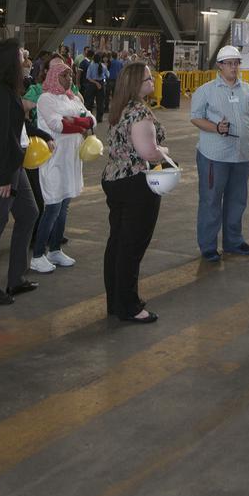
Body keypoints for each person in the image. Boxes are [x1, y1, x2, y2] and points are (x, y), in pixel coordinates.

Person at [0, 39, 45, 305]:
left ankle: (16, 278)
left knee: (28, 213)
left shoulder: (8, 89)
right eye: (20, 55)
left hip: (13, 164)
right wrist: (4, 177)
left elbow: (16, 130)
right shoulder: (0, 93)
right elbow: (0, 137)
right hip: (4, 168)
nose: (25, 58)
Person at [102, 60, 170, 324]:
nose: (153, 81)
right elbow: (148, 152)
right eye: (148, 79)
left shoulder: (120, 108)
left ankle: (116, 301)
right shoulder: (139, 114)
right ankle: (130, 305)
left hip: (114, 178)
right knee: (132, 246)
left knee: (117, 243)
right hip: (136, 182)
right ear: (135, 84)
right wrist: (165, 152)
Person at [190, 45, 249, 261]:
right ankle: (208, 246)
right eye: (230, 63)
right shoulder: (206, 90)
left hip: (241, 155)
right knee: (211, 200)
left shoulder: (248, 90)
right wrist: (216, 127)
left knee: (237, 200)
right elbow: (195, 117)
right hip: (214, 156)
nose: (234, 67)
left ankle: (233, 241)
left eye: (237, 63)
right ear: (220, 66)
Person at [30, 60, 95, 273]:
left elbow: (92, 120)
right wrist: (79, 122)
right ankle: (38, 254)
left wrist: (75, 120)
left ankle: (55, 249)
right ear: (53, 76)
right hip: (54, 161)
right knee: (52, 207)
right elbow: (57, 125)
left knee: (64, 205)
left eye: (71, 75)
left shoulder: (73, 98)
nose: (69, 79)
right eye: (64, 76)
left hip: (72, 161)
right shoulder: (45, 100)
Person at [84, 52, 107, 123]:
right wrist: (100, 83)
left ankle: (89, 118)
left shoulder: (91, 66)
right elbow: (107, 75)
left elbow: (88, 77)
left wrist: (95, 82)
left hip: (91, 84)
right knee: (100, 102)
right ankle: (99, 118)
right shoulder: (103, 66)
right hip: (101, 84)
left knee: (89, 102)